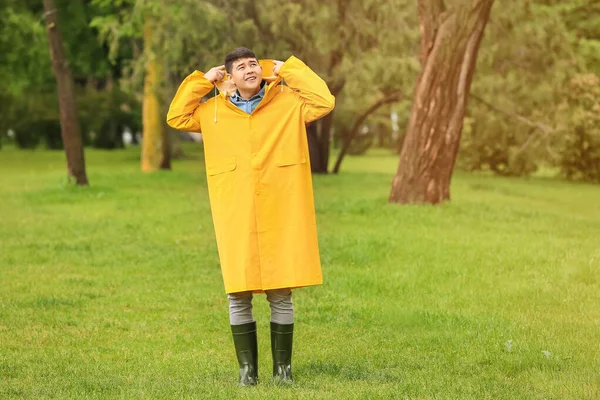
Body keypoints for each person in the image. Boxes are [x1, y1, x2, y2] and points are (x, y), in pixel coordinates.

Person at [166, 47, 335, 385]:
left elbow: (324, 101)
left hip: (280, 206)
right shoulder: (212, 111)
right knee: (238, 291)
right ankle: (247, 372)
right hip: (236, 210)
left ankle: (282, 370)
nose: (250, 69)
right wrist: (203, 81)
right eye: (241, 66)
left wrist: (283, 67)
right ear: (229, 75)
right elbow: (177, 117)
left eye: (254, 64)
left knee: (281, 289)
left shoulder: (288, 103)